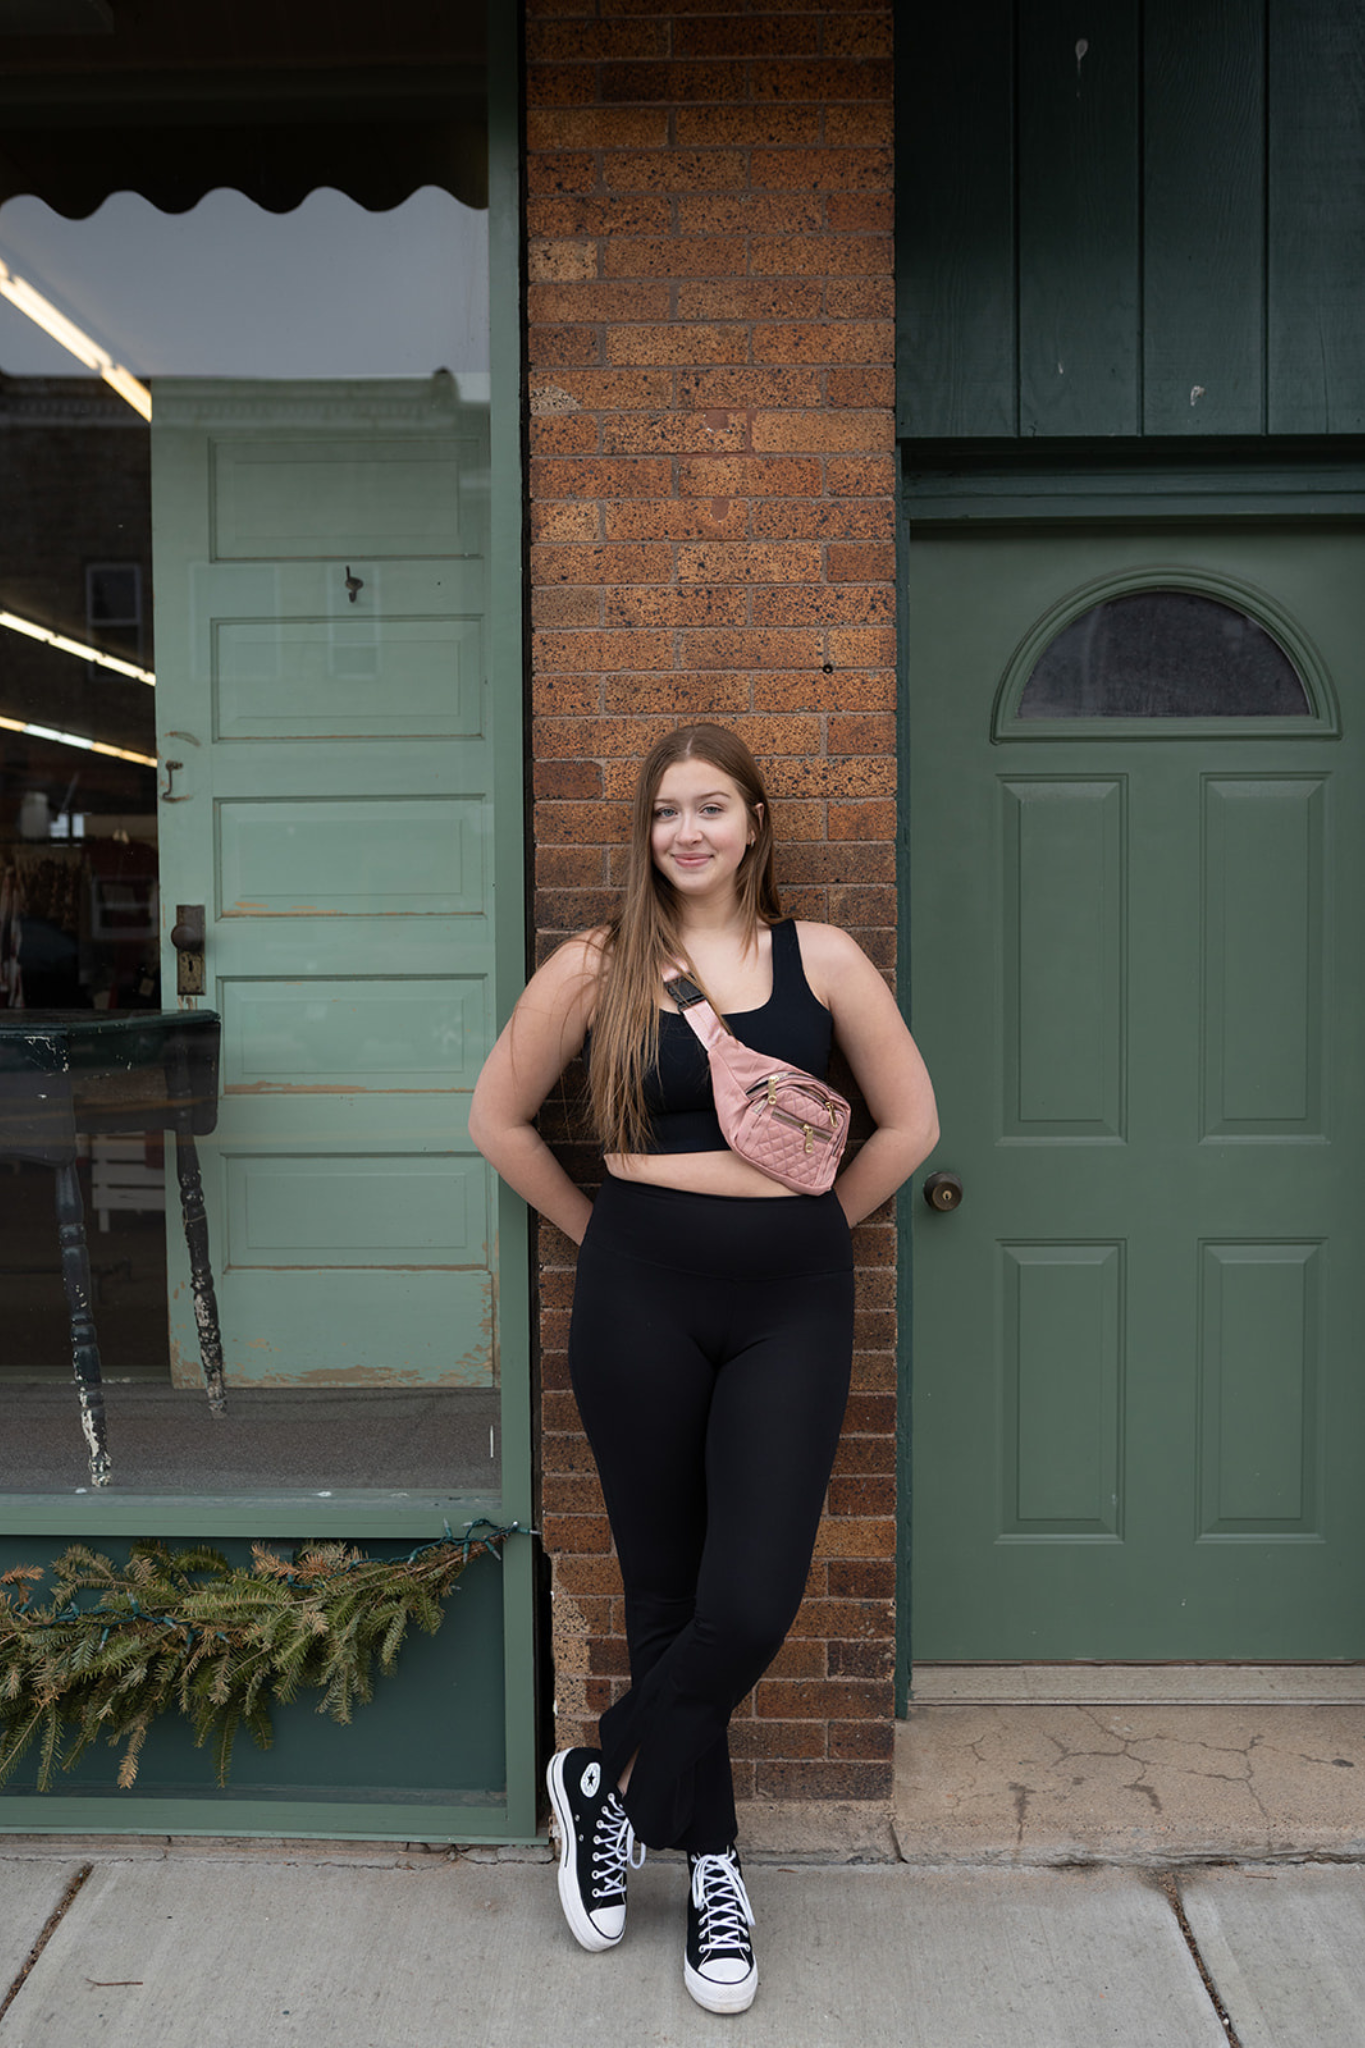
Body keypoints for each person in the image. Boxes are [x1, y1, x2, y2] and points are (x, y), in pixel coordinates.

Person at [469, 723, 938, 2014]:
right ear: (647, 828)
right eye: (668, 810)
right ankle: (712, 1862)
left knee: (752, 1596)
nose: (688, 830)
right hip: (640, 1289)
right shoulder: (596, 967)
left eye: (712, 806)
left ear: (754, 822)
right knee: (664, 1596)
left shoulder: (823, 959)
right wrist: (599, 1236)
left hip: (791, 1294)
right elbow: (496, 1121)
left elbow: (912, 1123)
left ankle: (599, 1775)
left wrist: (810, 1229)